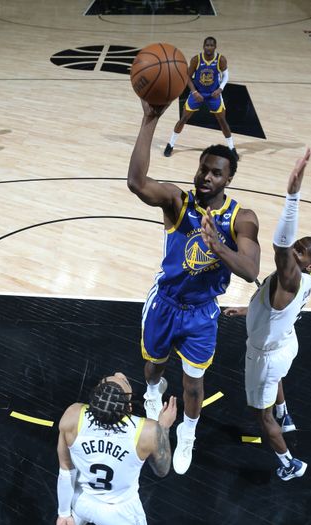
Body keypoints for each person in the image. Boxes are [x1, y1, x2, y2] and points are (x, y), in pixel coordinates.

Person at [129, 99, 261, 475]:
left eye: (216, 173)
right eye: (203, 169)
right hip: (165, 303)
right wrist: (149, 120)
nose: (206, 177)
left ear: (228, 179)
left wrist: (219, 245)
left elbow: (251, 270)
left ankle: (187, 433)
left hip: (202, 313)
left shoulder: (241, 218)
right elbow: (136, 183)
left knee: (192, 385)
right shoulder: (177, 202)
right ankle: (152, 392)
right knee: (153, 367)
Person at [223, 148, 311, 481]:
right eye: (296, 247)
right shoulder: (308, 279)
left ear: (308, 264)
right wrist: (248, 310)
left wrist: (292, 197)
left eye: (299, 253)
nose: (292, 253)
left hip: (265, 356)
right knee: (277, 382)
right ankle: (285, 414)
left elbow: (280, 247)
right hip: (285, 342)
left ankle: (289, 464)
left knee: (260, 416)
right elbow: (273, 308)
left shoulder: (291, 277)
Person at [55, 372, 177, 525]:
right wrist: (163, 428)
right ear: (130, 408)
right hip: (120, 514)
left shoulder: (73, 415)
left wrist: (63, 514)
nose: (119, 374)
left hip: (81, 500)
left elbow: (65, 470)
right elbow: (162, 470)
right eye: (123, 381)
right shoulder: (147, 431)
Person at [164, 36, 237, 159]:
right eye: (207, 45)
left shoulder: (221, 59)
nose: (209, 47)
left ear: (215, 47)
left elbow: (226, 76)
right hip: (198, 93)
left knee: (223, 121)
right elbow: (187, 76)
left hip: (213, 94)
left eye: (211, 45)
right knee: (183, 118)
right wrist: (194, 92)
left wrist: (220, 89)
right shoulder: (196, 60)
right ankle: (170, 144)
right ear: (203, 46)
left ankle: (232, 148)